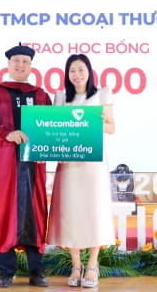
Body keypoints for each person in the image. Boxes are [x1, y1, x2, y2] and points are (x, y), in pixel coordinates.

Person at [0, 44, 52, 288]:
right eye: (16, 61)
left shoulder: (41, 95)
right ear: (8, 64)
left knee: (35, 214)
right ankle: (6, 271)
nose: (21, 65)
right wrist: (7, 133)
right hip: (3, 165)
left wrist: (50, 148)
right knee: (4, 215)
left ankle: (36, 271)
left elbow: (50, 129)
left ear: (31, 66)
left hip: (32, 165)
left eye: (25, 62)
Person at [46, 54, 116, 288]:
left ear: (89, 71)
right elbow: (54, 129)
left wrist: (93, 122)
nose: (76, 74)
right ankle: (76, 265)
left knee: (94, 210)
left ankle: (93, 265)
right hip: (68, 164)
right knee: (70, 212)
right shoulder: (60, 97)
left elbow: (111, 128)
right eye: (72, 70)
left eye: (81, 69)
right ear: (67, 74)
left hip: (93, 164)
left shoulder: (102, 94)